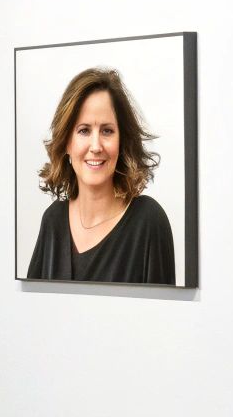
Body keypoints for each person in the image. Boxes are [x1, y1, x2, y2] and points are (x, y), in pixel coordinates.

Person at [26, 67, 175, 285]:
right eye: (84, 130)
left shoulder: (149, 221)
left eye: (107, 131)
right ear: (66, 142)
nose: (96, 146)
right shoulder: (53, 221)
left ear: (122, 141)